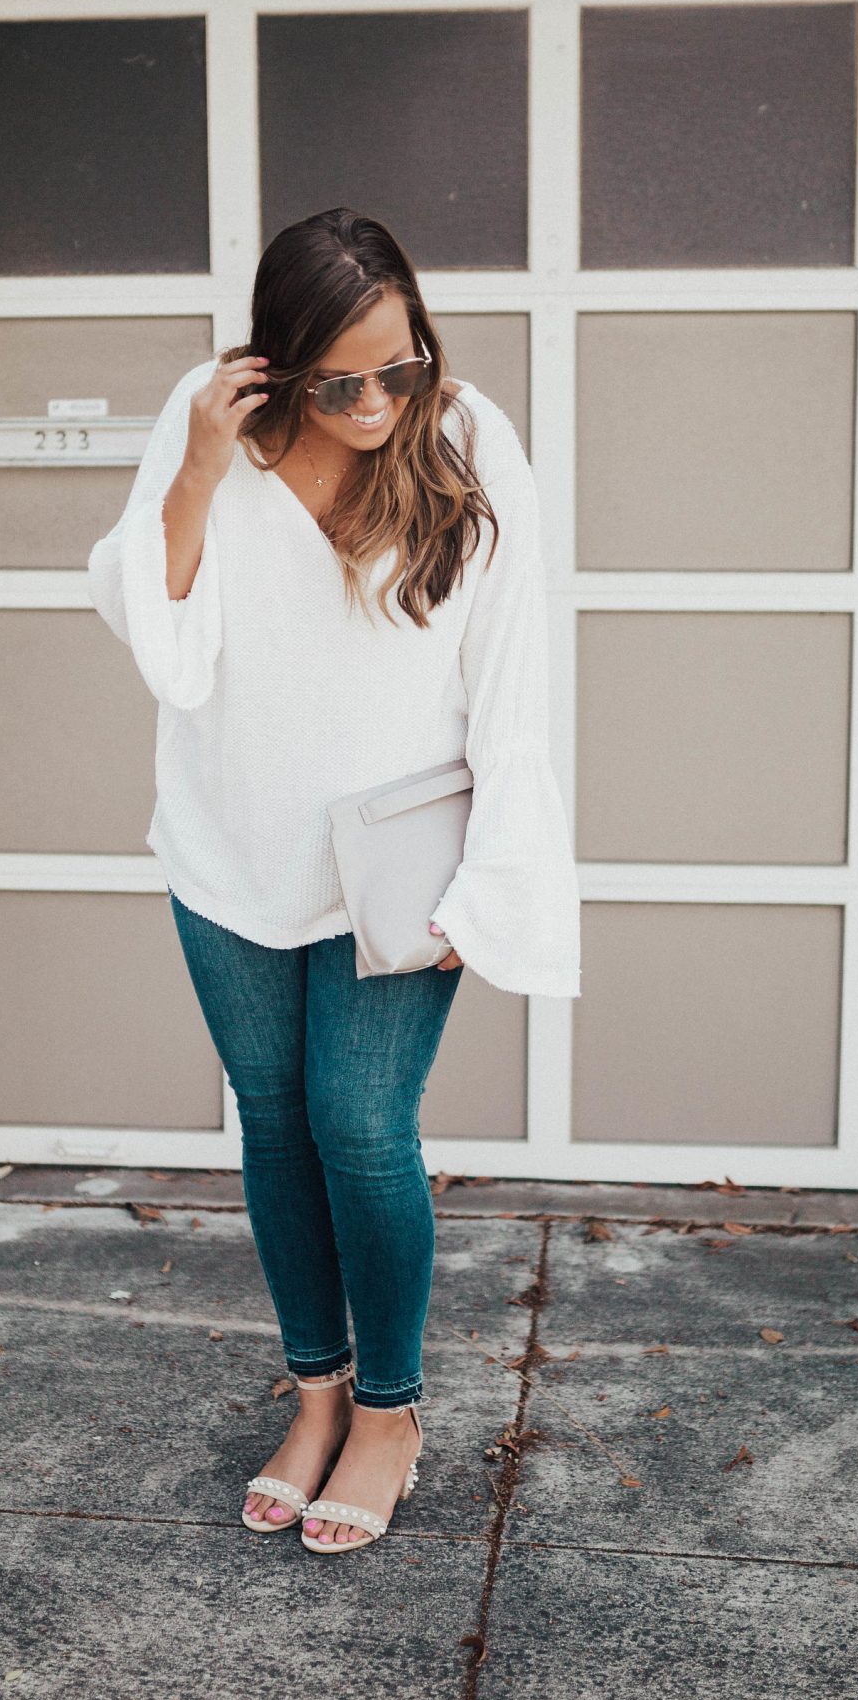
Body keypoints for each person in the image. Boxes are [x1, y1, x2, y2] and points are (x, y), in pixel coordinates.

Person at [88, 207, 579, 1555]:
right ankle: (314, 1398)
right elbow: (168, 653)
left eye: (397, 370)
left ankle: (389, 1415)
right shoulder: (209, 427)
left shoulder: (466, 440)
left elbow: (515, 682)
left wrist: (493, 878)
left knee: (360, 1125)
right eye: (338, 384)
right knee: (274, 1121)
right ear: (279, 364)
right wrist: (198, 470)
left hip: (400, 864)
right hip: (230, 845)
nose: (373, 407)